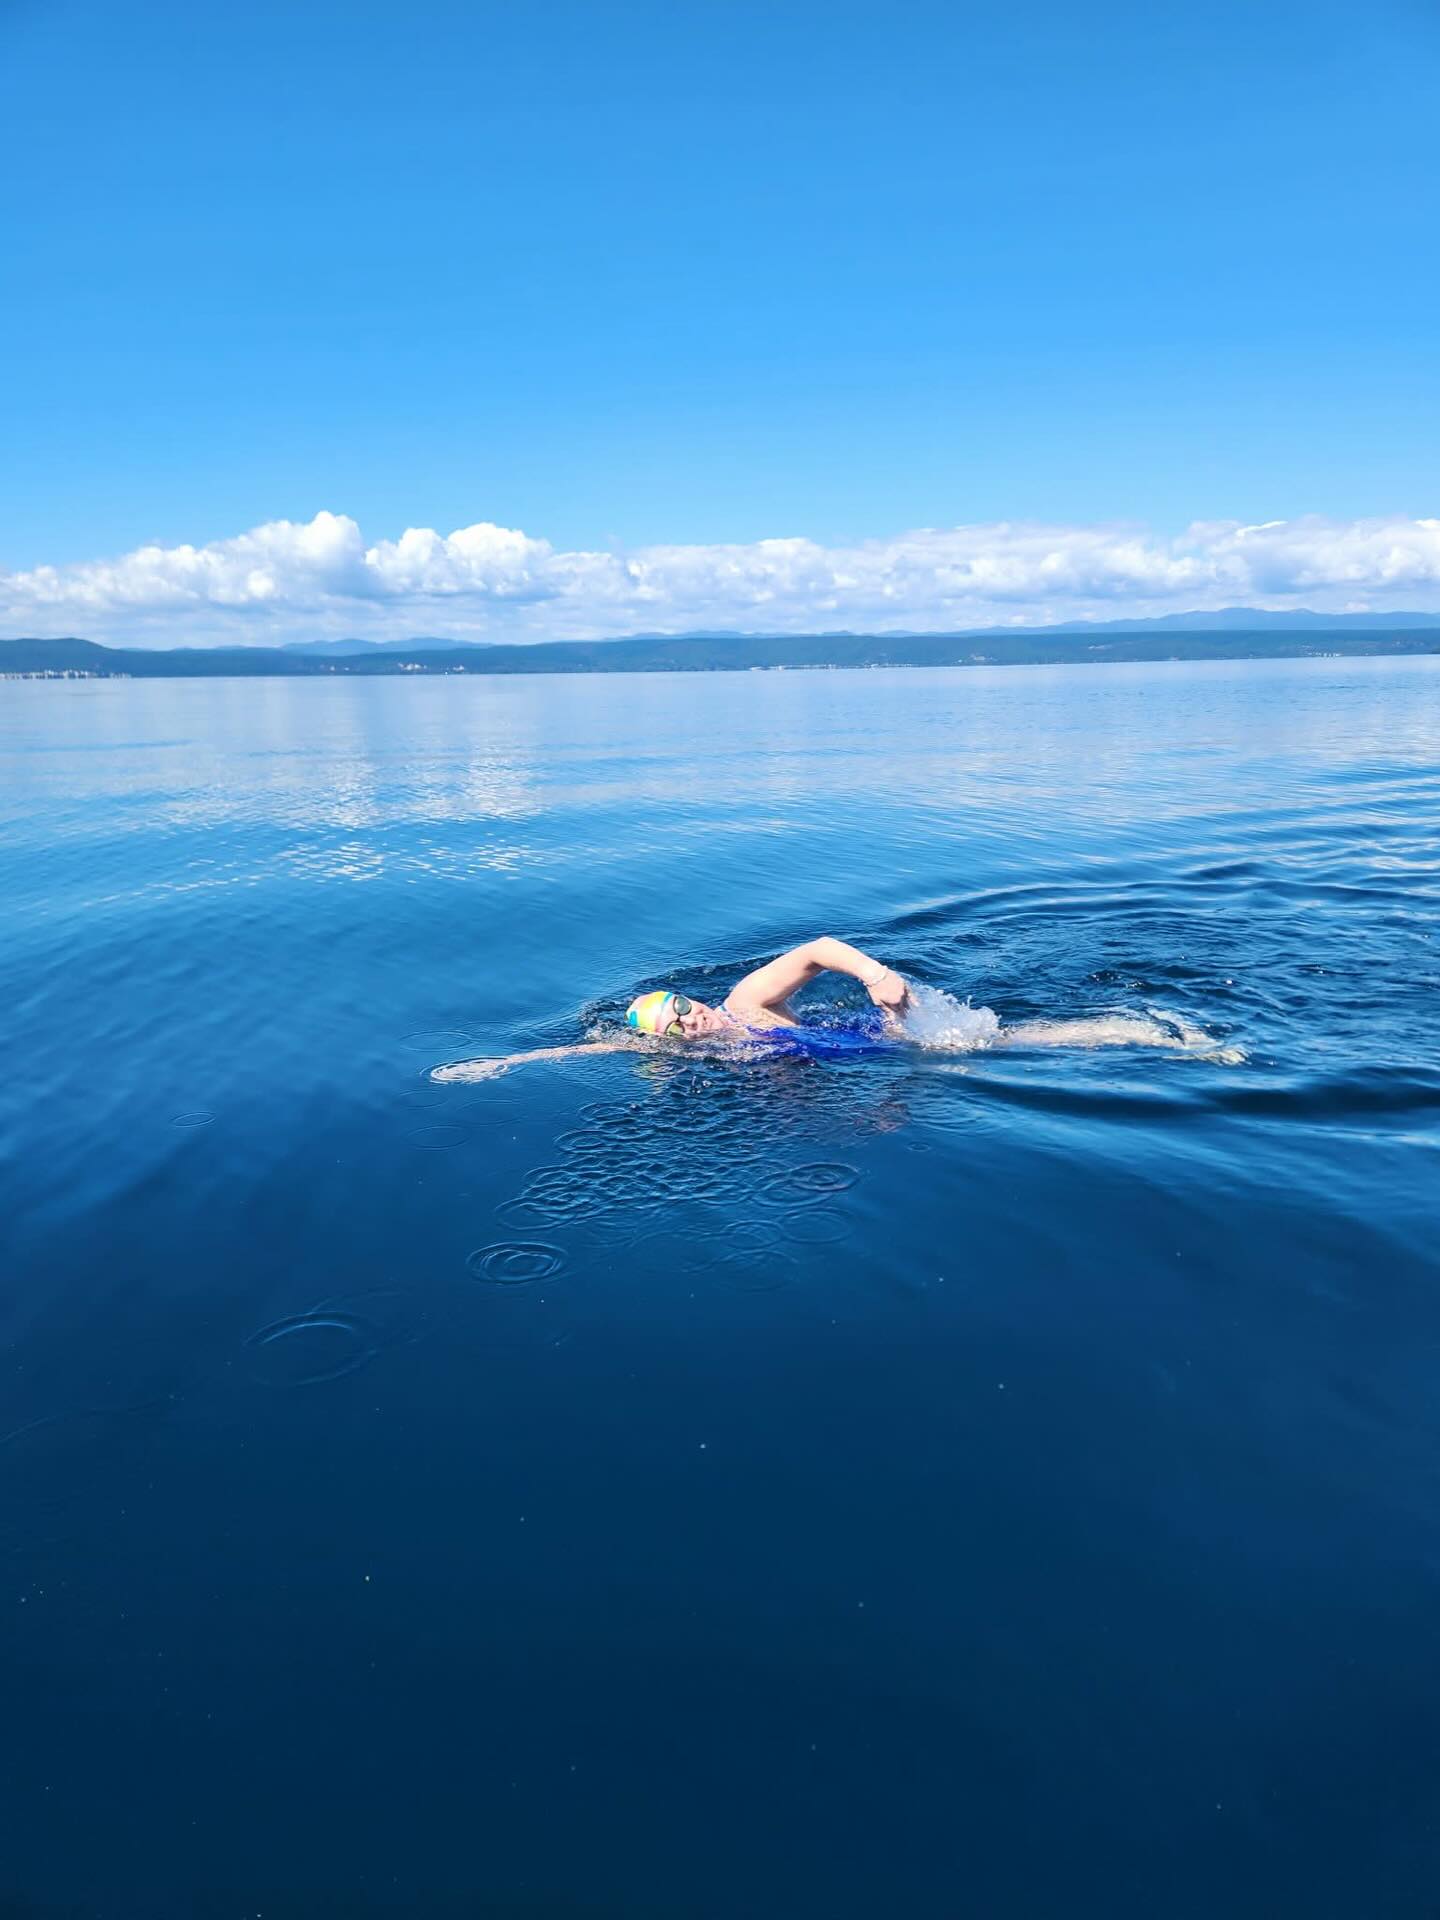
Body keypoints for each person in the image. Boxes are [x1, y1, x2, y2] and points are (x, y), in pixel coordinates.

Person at [430, 936, 910, 1081]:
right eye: (675, 1026)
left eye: (680, 1004)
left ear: (689, 994)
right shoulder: (707, 1054)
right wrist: (504, 1062)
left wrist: (877, 976)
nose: (690, 1018)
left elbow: (818, 950)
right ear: (670, 1042)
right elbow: (588, 1051)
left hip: (887, 1033)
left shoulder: (746, 1002)